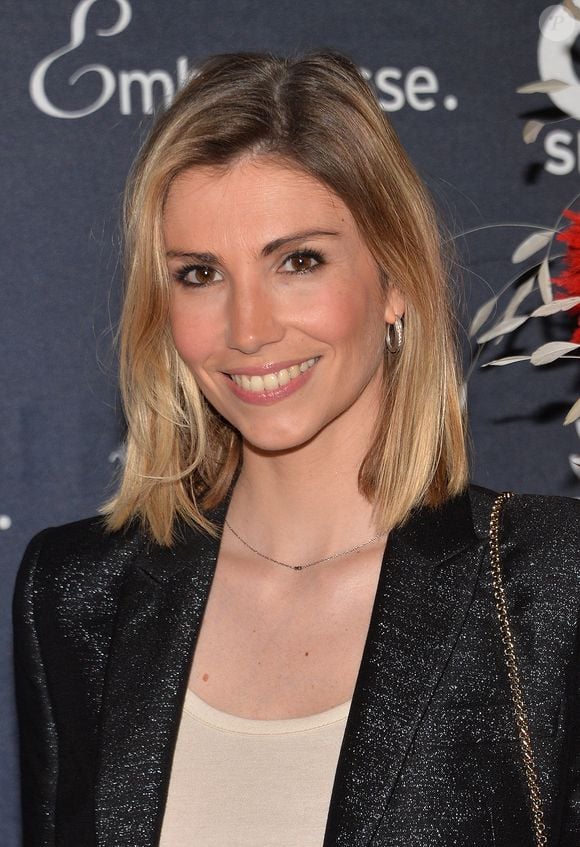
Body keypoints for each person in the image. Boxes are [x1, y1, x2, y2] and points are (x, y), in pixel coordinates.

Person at [12, 50, 580, 847]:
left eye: (298, 261)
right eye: (200, 273)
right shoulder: (80, 594)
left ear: (394, 280)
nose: (249, 329)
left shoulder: (547, 583)